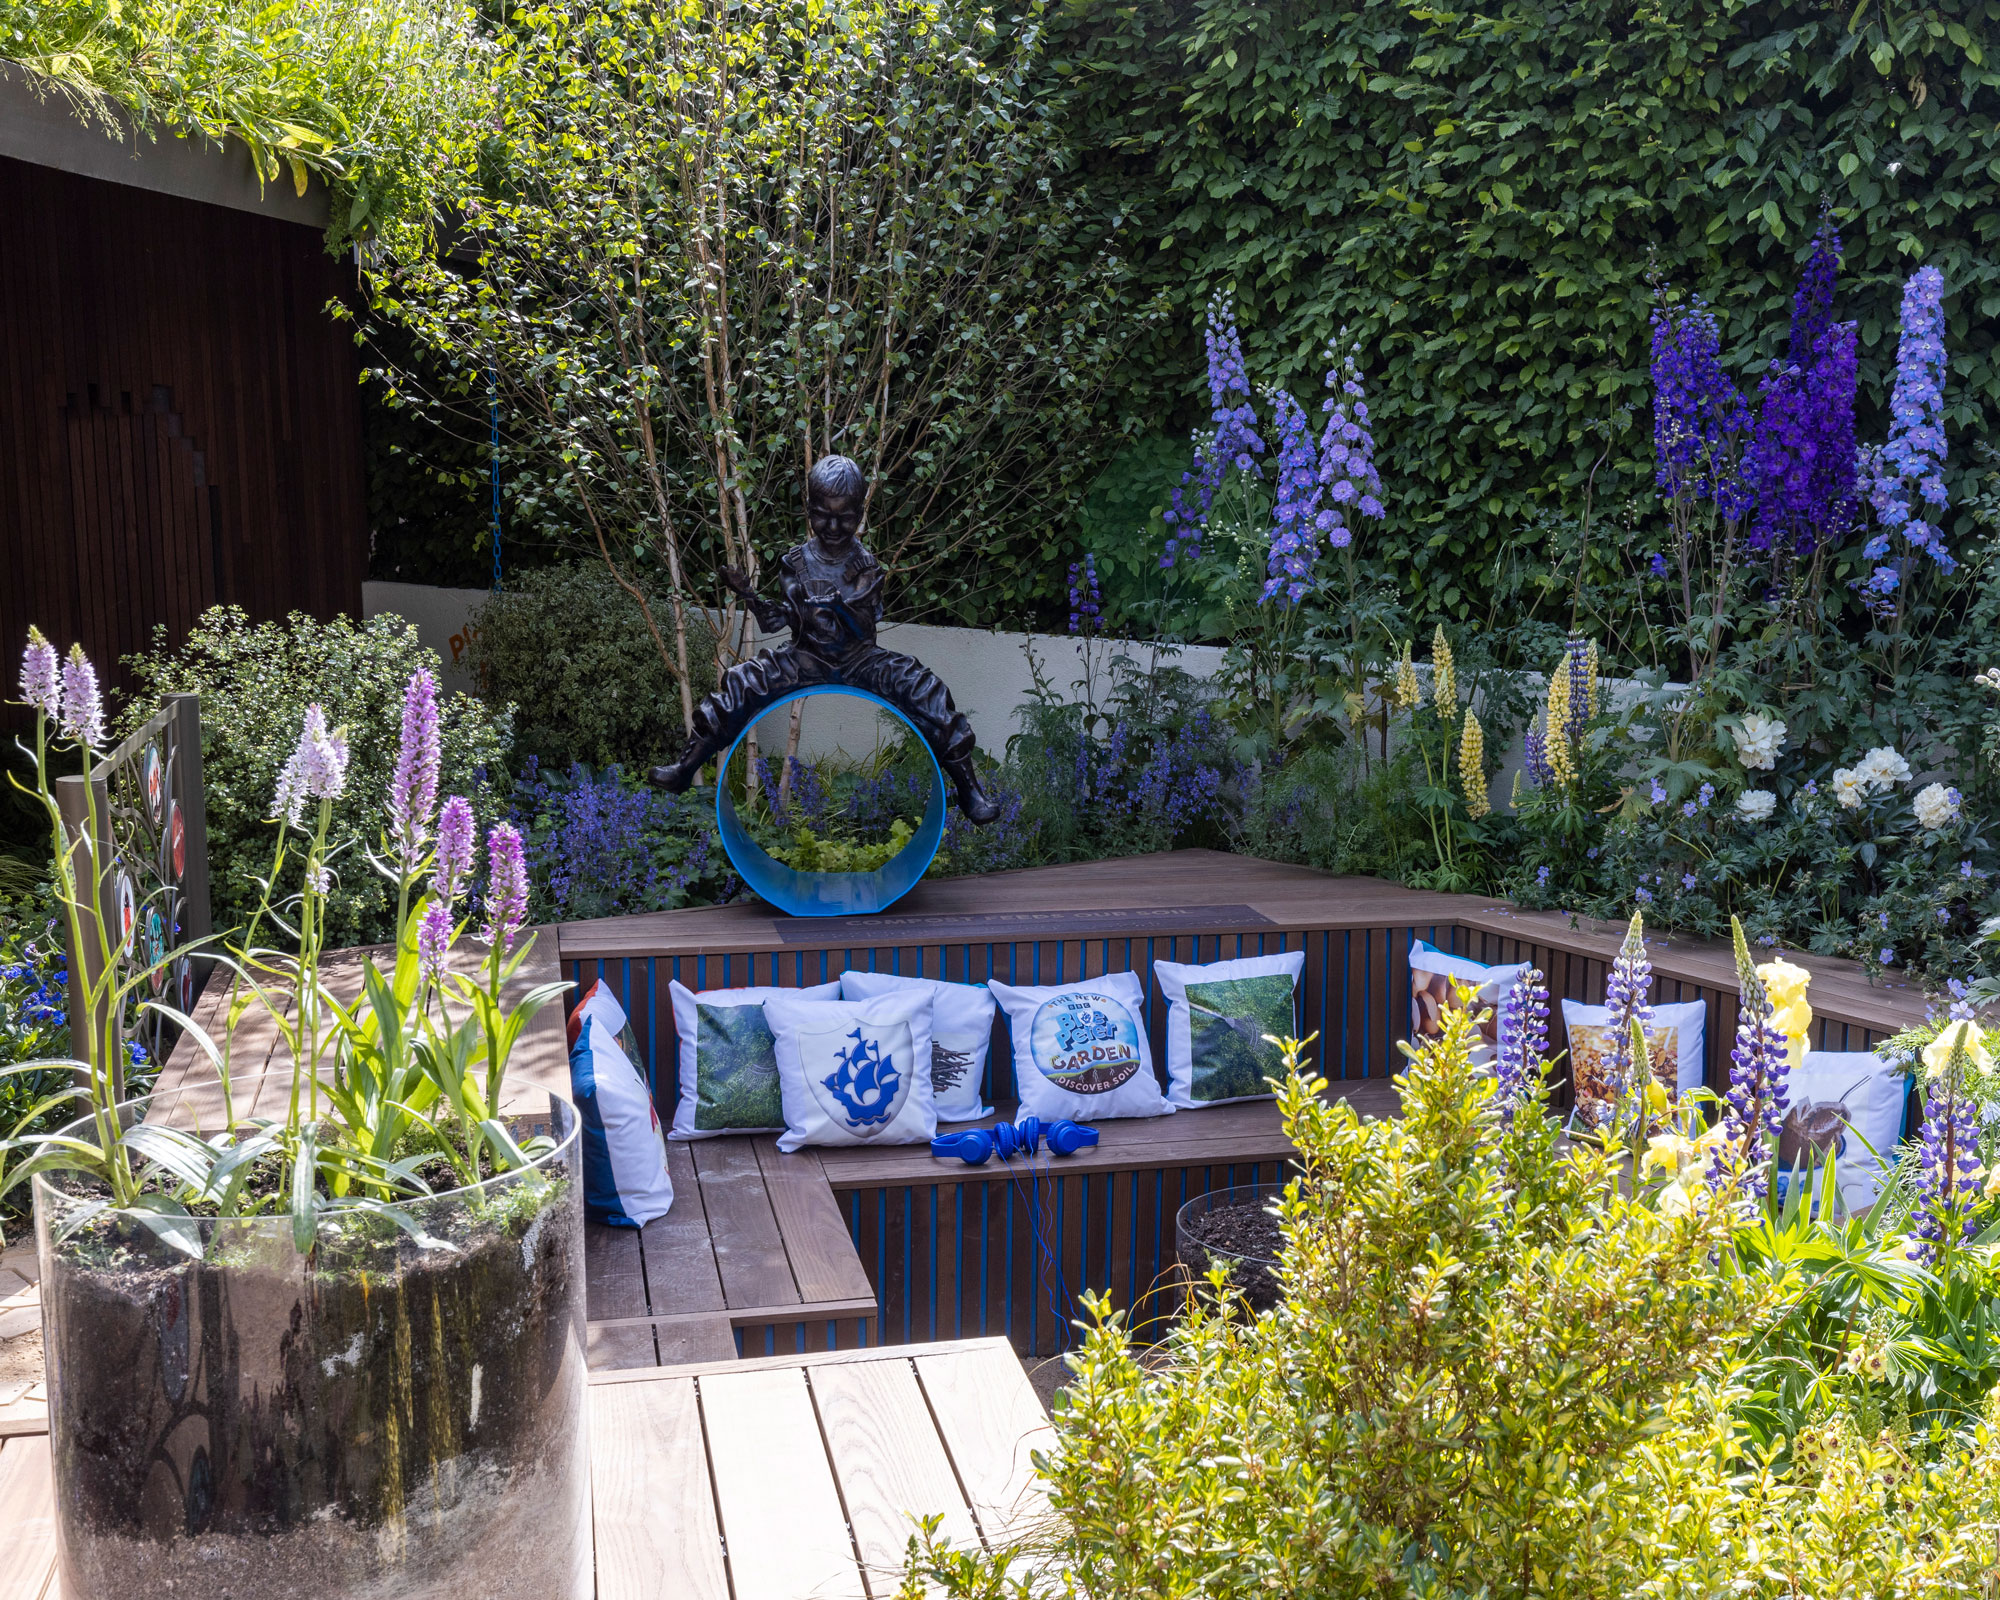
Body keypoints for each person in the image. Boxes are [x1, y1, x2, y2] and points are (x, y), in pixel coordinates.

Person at [648, 455, 1002, 824]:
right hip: (804, 657)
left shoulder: (866, 566)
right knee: (742, 682)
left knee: (926, 690)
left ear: (859, 513)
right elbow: (778, 620)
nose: (833, 526)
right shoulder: (795, 562)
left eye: (845, 518)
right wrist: (753, 599)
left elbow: (861, 626)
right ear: (809, 509)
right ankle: (685, 768)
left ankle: (969, 791)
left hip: (861, 659)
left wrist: (838, 607)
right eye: (822, 515)